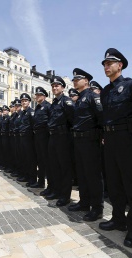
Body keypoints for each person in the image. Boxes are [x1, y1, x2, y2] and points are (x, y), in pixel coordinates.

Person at [99, 49, 132, 248]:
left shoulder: (131, 86)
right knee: (114, 183)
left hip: (128, 140)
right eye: (104, 64)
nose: (106, 66)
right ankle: (118, 219)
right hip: (110, 140)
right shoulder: (105, 91)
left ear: (120, 65)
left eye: (110, 63)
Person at [68, 68, 105, 222]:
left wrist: (102, 136)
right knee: (82, 173)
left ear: (86, 81)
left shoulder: (92, 97)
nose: (75, 81)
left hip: (90, 140)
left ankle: (97, 208)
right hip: (79, 141)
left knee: (93, 175)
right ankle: (84, 202)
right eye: (74, 79)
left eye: (78, 79)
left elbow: (101, 117)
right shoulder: (79, 99)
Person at [45, 76, 75, 206]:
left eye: (57, 85)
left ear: (63, 87)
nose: (54, 88)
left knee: (64, 168)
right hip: (53, 137)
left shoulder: (66, 102)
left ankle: (65, 196)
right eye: (53, 86)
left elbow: (73, 120)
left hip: (63, 137)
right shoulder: (54, 103)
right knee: (54, 167)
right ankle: (56, 191)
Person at [31, 87, 51, 188]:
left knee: (46, 160)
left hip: (45, 136)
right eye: (36, 95)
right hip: (37, 136)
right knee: (40, 160)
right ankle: (41, 181)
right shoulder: (37, 108)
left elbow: (50, 121)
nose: (37, 97)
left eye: (39, 95)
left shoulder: (48, 106)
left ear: (44, 96)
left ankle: (49, 185)